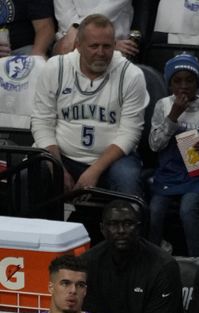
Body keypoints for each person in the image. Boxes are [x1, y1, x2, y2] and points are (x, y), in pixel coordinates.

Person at [31, 14, 148, 198]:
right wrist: (57, 167)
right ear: (78, 45)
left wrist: (94, 171)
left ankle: (128, 226)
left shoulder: (131, 75)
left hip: (112, 162)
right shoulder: (56, 68)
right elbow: (41, 122)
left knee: (128, 178)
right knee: (28, 174)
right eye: (94, 46)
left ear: (114, 44)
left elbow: (130, 133)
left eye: (107, 46)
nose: (100, 52)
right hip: (63, 157)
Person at [148, 53, 199, 257]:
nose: (183, 86)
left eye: (189, 80)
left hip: (198, 174)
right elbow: (154, 145)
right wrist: (173, 116)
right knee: (155, 210)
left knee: (188, 209)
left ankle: (198, 256)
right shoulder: (163, 106)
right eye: (177, 81)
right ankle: (152, 254)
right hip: (168, 172)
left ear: (198, 83)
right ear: (170, 84)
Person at [82, 200, 184, 313]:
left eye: (128, 224)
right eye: (113, 224)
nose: (121, 231)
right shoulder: (88, 263)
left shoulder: (163, 267)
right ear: (102, 229)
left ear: (139, 228)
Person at [52, 0, 138, 58]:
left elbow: (108, 9)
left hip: (113, 45)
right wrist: (75, 34)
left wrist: (77, 29)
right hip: (70, 44)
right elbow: (65, 18)